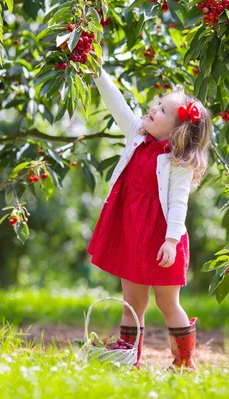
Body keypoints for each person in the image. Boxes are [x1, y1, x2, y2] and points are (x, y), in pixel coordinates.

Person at [86, 61, 212, 371]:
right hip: (132, 232)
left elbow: (179, 204)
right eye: (157, 104)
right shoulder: (136, 135)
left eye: (163, 111)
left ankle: (184, 362)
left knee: (167, 303)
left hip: (163, 239)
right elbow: (116, 103)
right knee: (132, 303)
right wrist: (97, 73)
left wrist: (171, 241)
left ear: (177, 129)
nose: (153, 109)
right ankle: (129, 359)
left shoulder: (177, 162)